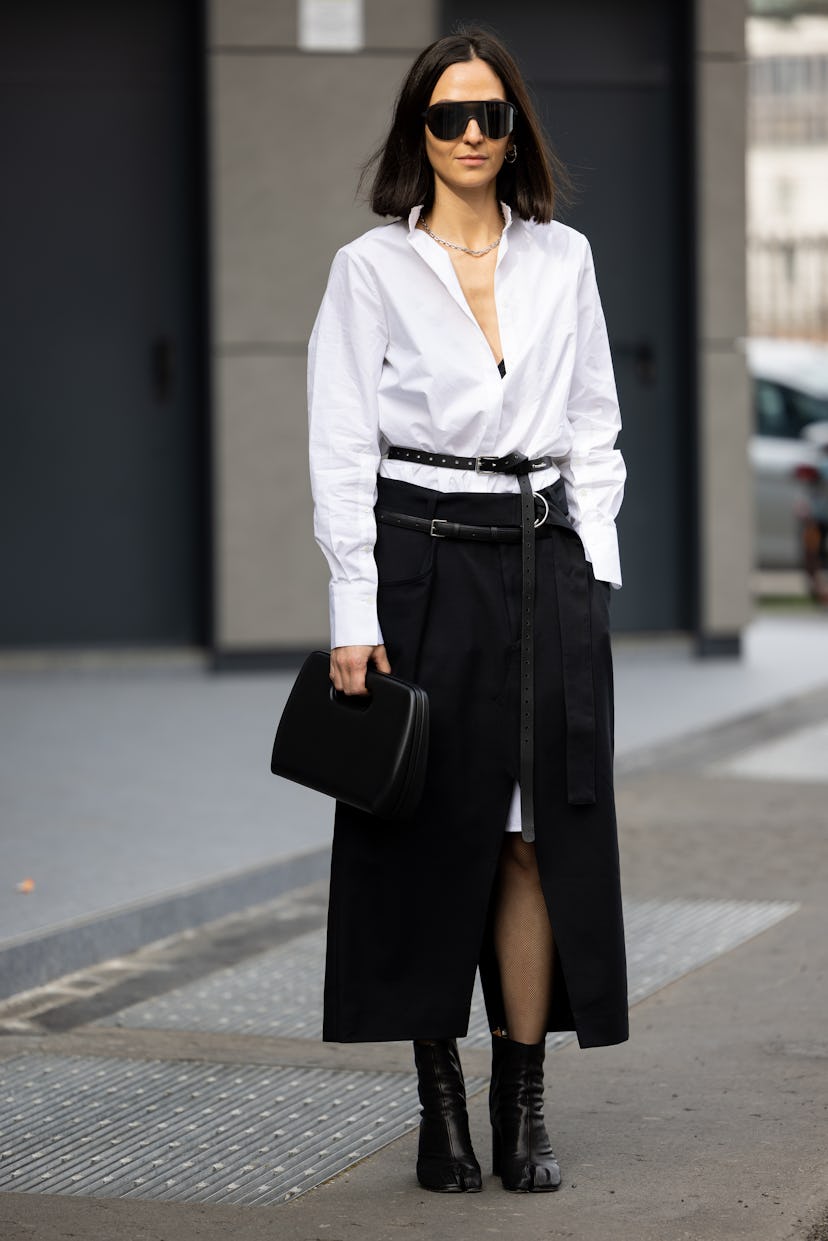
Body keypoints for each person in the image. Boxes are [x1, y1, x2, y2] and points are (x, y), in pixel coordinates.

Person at [307, 26, 628, 1194]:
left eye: (491, 114)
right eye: (450, 117)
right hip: (422, 561)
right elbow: (342, 444)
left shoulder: (566, 257)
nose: (474, 136)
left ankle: (522, 1099)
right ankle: (438, 1100)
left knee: (532, 838)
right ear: (420, 133)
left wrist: (594, 567)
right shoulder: (370, 270)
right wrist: (354, 606)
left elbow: (593, 419)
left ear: (515, 126)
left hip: (542, 560)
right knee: (427, 835)